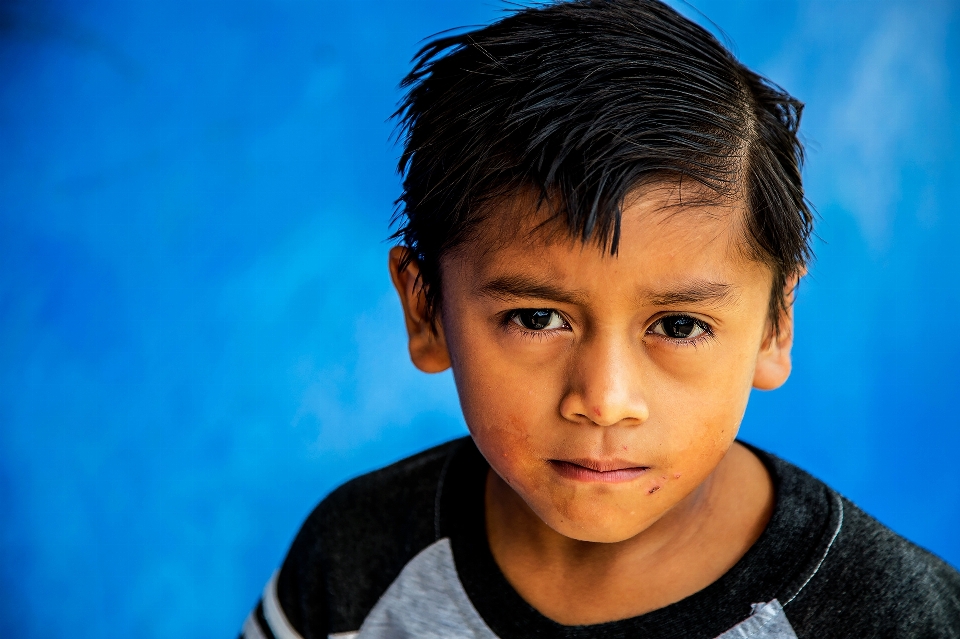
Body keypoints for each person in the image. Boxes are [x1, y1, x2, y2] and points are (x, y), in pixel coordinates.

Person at [240, 1, 960, 637]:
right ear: (425, 307)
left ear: (774, 325)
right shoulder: (355, 564)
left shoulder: (891, 615)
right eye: (537, 316)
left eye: (678, 326)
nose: (606, 398)